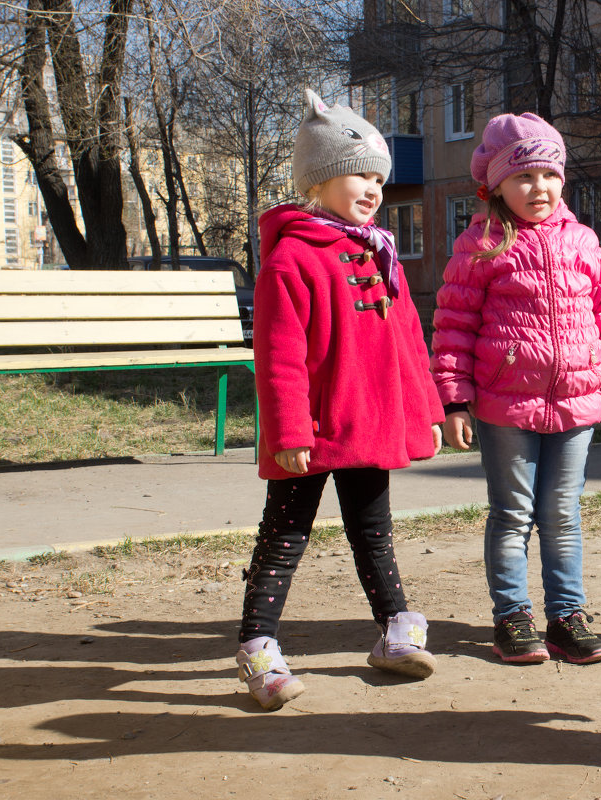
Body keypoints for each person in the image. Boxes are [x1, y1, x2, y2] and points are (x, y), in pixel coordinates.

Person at [235, 89, 445, 711]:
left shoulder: (381, 255)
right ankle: (257, 646)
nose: (373, 187)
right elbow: (278, 357)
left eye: (379, 176)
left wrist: (427, 412)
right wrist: (290, 431)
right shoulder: (292, 258)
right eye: (358, 173)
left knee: (373, 530)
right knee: (285, 534)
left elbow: (410, 342)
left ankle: (393, 634)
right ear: (318, 182)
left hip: (369, 424)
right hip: (314, 430)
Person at [431, 112, 601, 666]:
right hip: (506, 406)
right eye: (524, 177)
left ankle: (566, 618)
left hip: (577, 402)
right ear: (497, 185)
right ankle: (512, 618)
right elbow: (454, 326)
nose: (540, 188)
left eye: (550, 175)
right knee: (512, 513)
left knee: (563, 512)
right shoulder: (480, 244)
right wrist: (454, 400)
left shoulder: (583, 242)